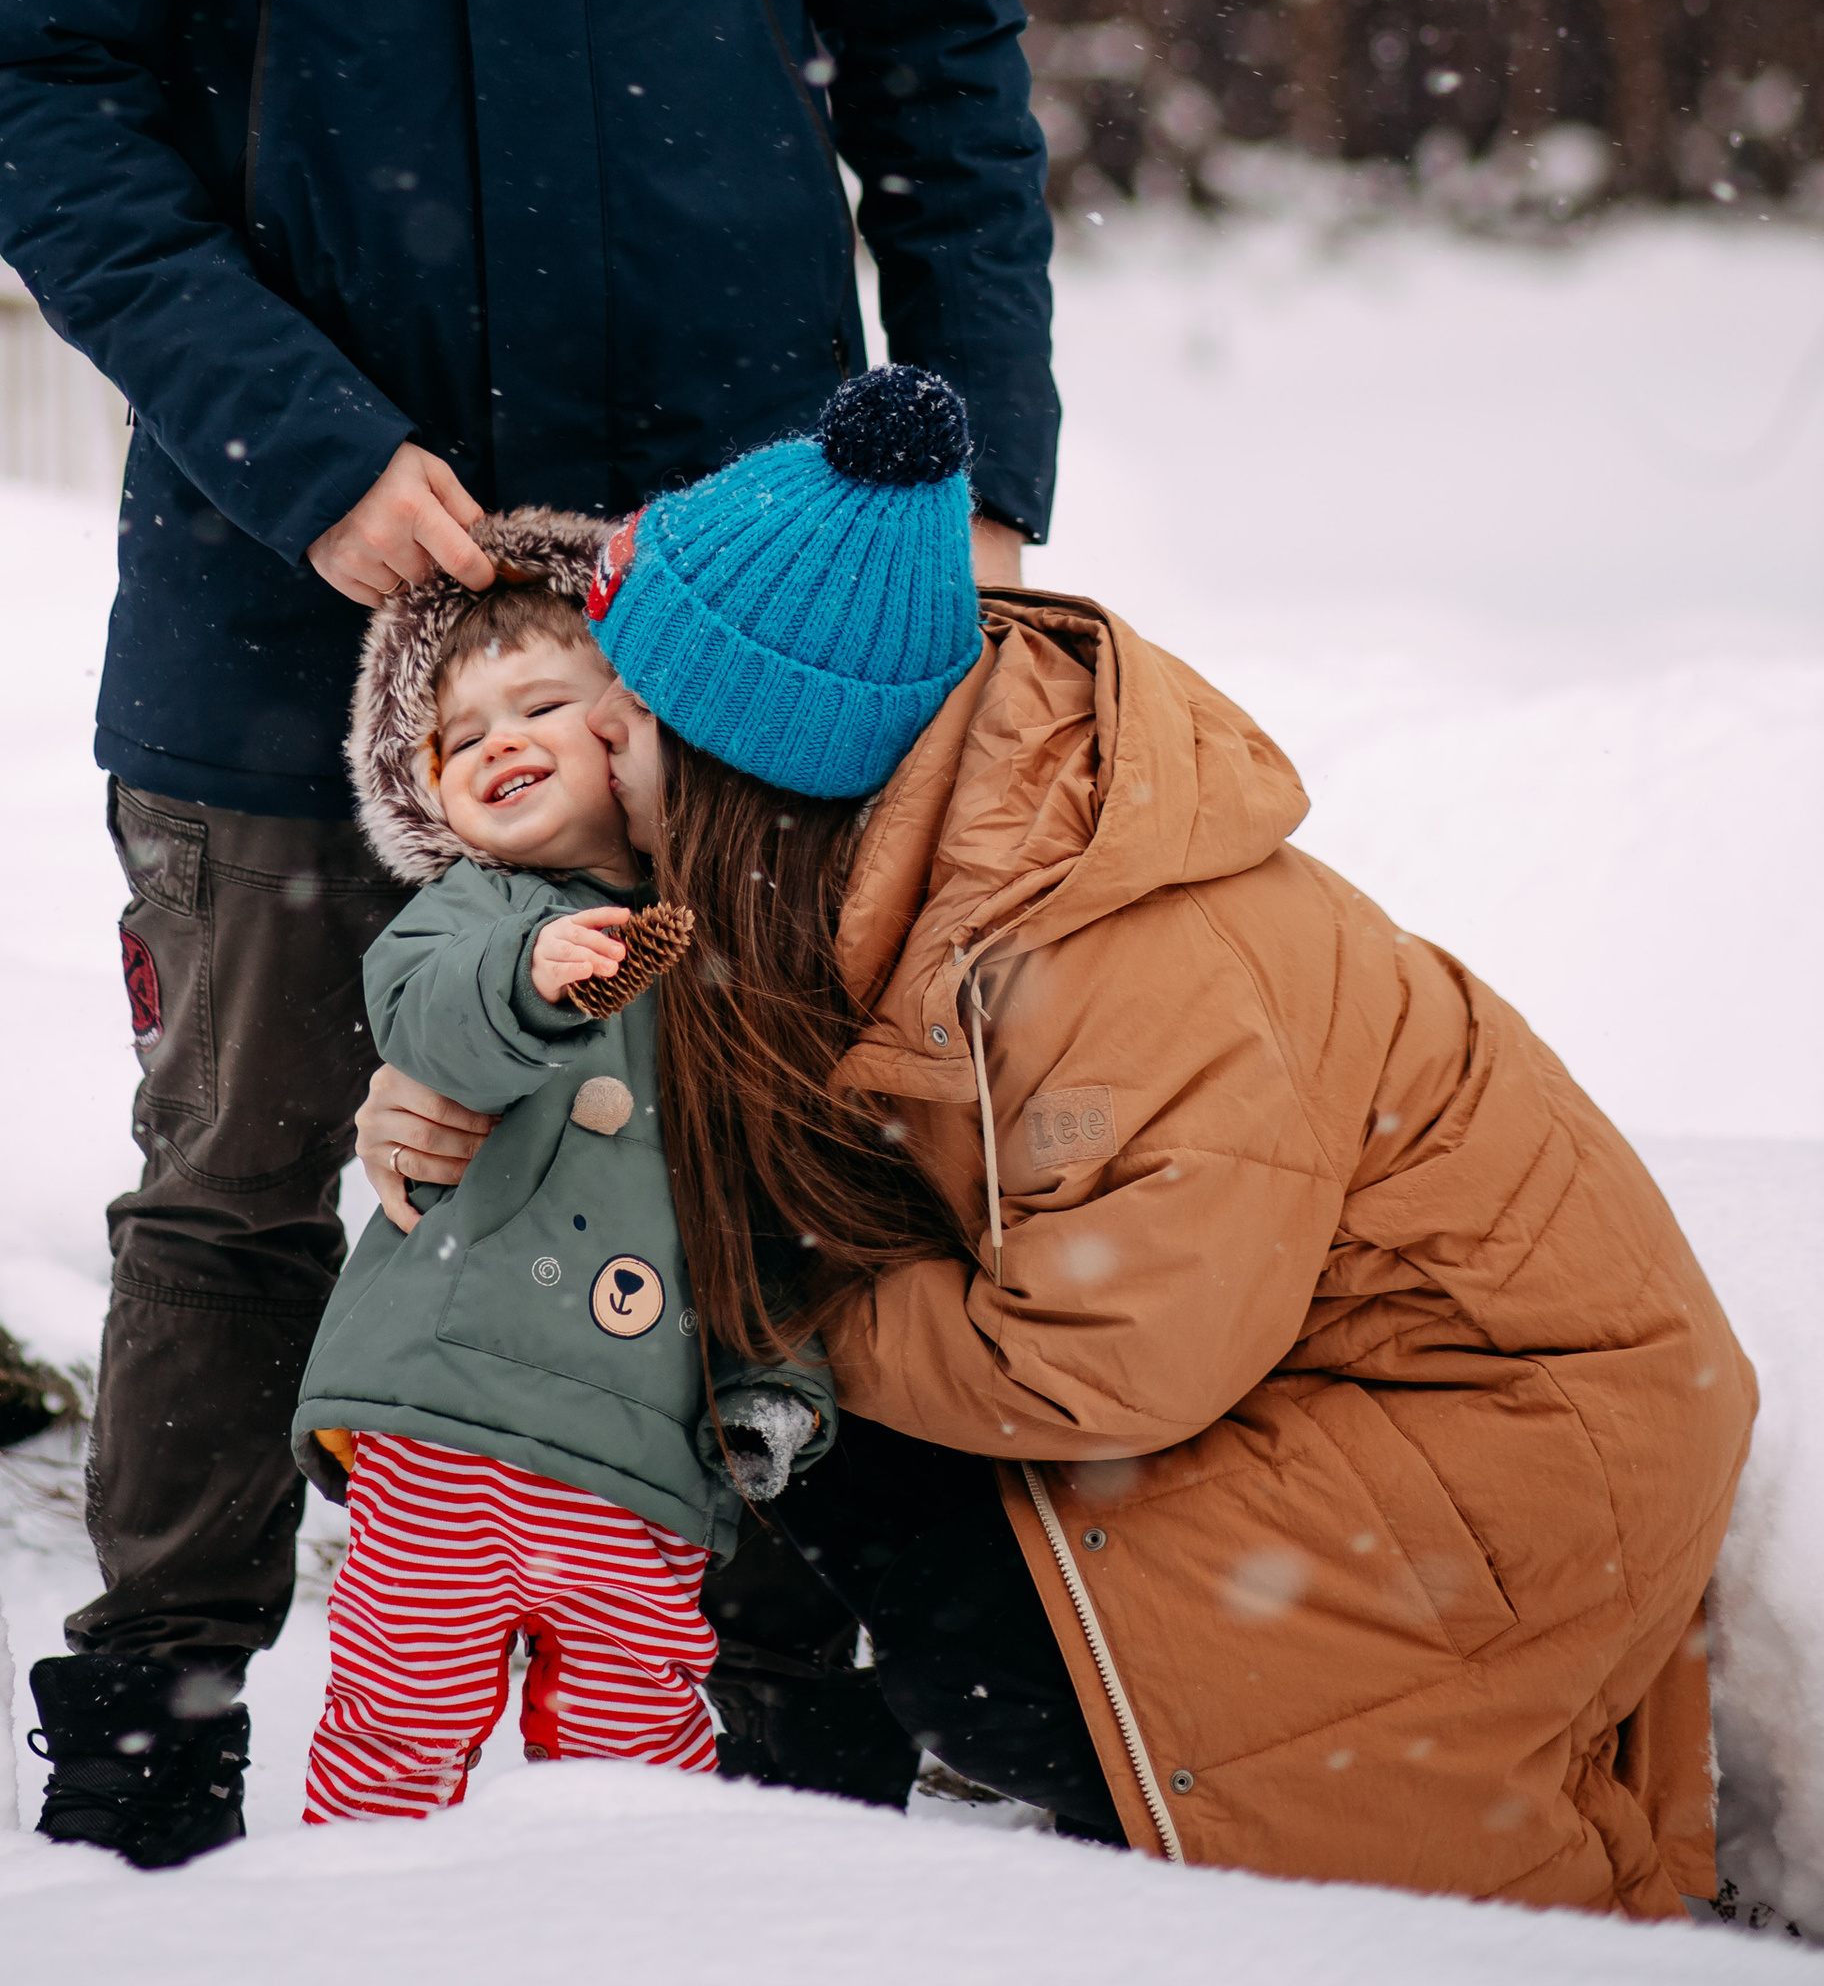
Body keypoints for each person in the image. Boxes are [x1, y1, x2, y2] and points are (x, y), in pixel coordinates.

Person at [0, 0, 1054, 1861]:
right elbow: (32, 82)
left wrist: (981, 487)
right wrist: (297, 445)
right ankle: (166, 1714)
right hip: (275, 576)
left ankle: (778, 1707)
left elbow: (940, 51)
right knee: (250, 1169)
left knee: (766, 1156)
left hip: (735, 571)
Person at [368, 362, 1757, 1915]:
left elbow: (1111, 1360)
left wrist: (786, 1310)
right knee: (799, 1387)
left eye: (622, 725)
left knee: (906, 1546)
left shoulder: (1114, 953)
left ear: (746, 765)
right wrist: (457, 1082)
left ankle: (1109, 1798)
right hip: (1307, 1379)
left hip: (1494, 1443)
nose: (587, 760)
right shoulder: (874, 827)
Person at [294, 507, 829, 1822]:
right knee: (400, 1721)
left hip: (638, 1460)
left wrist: (773, 1383)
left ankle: (617, 1934)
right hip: (446, 1426)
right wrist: (526, 978)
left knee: (638, 1742)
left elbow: (767, 1211)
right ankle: (346, 1923)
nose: (499, 743)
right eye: (461, 736)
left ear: (632, 729)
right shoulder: (473, 914)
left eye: (539, 705)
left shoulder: (733, 962)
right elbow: (424, 1014)